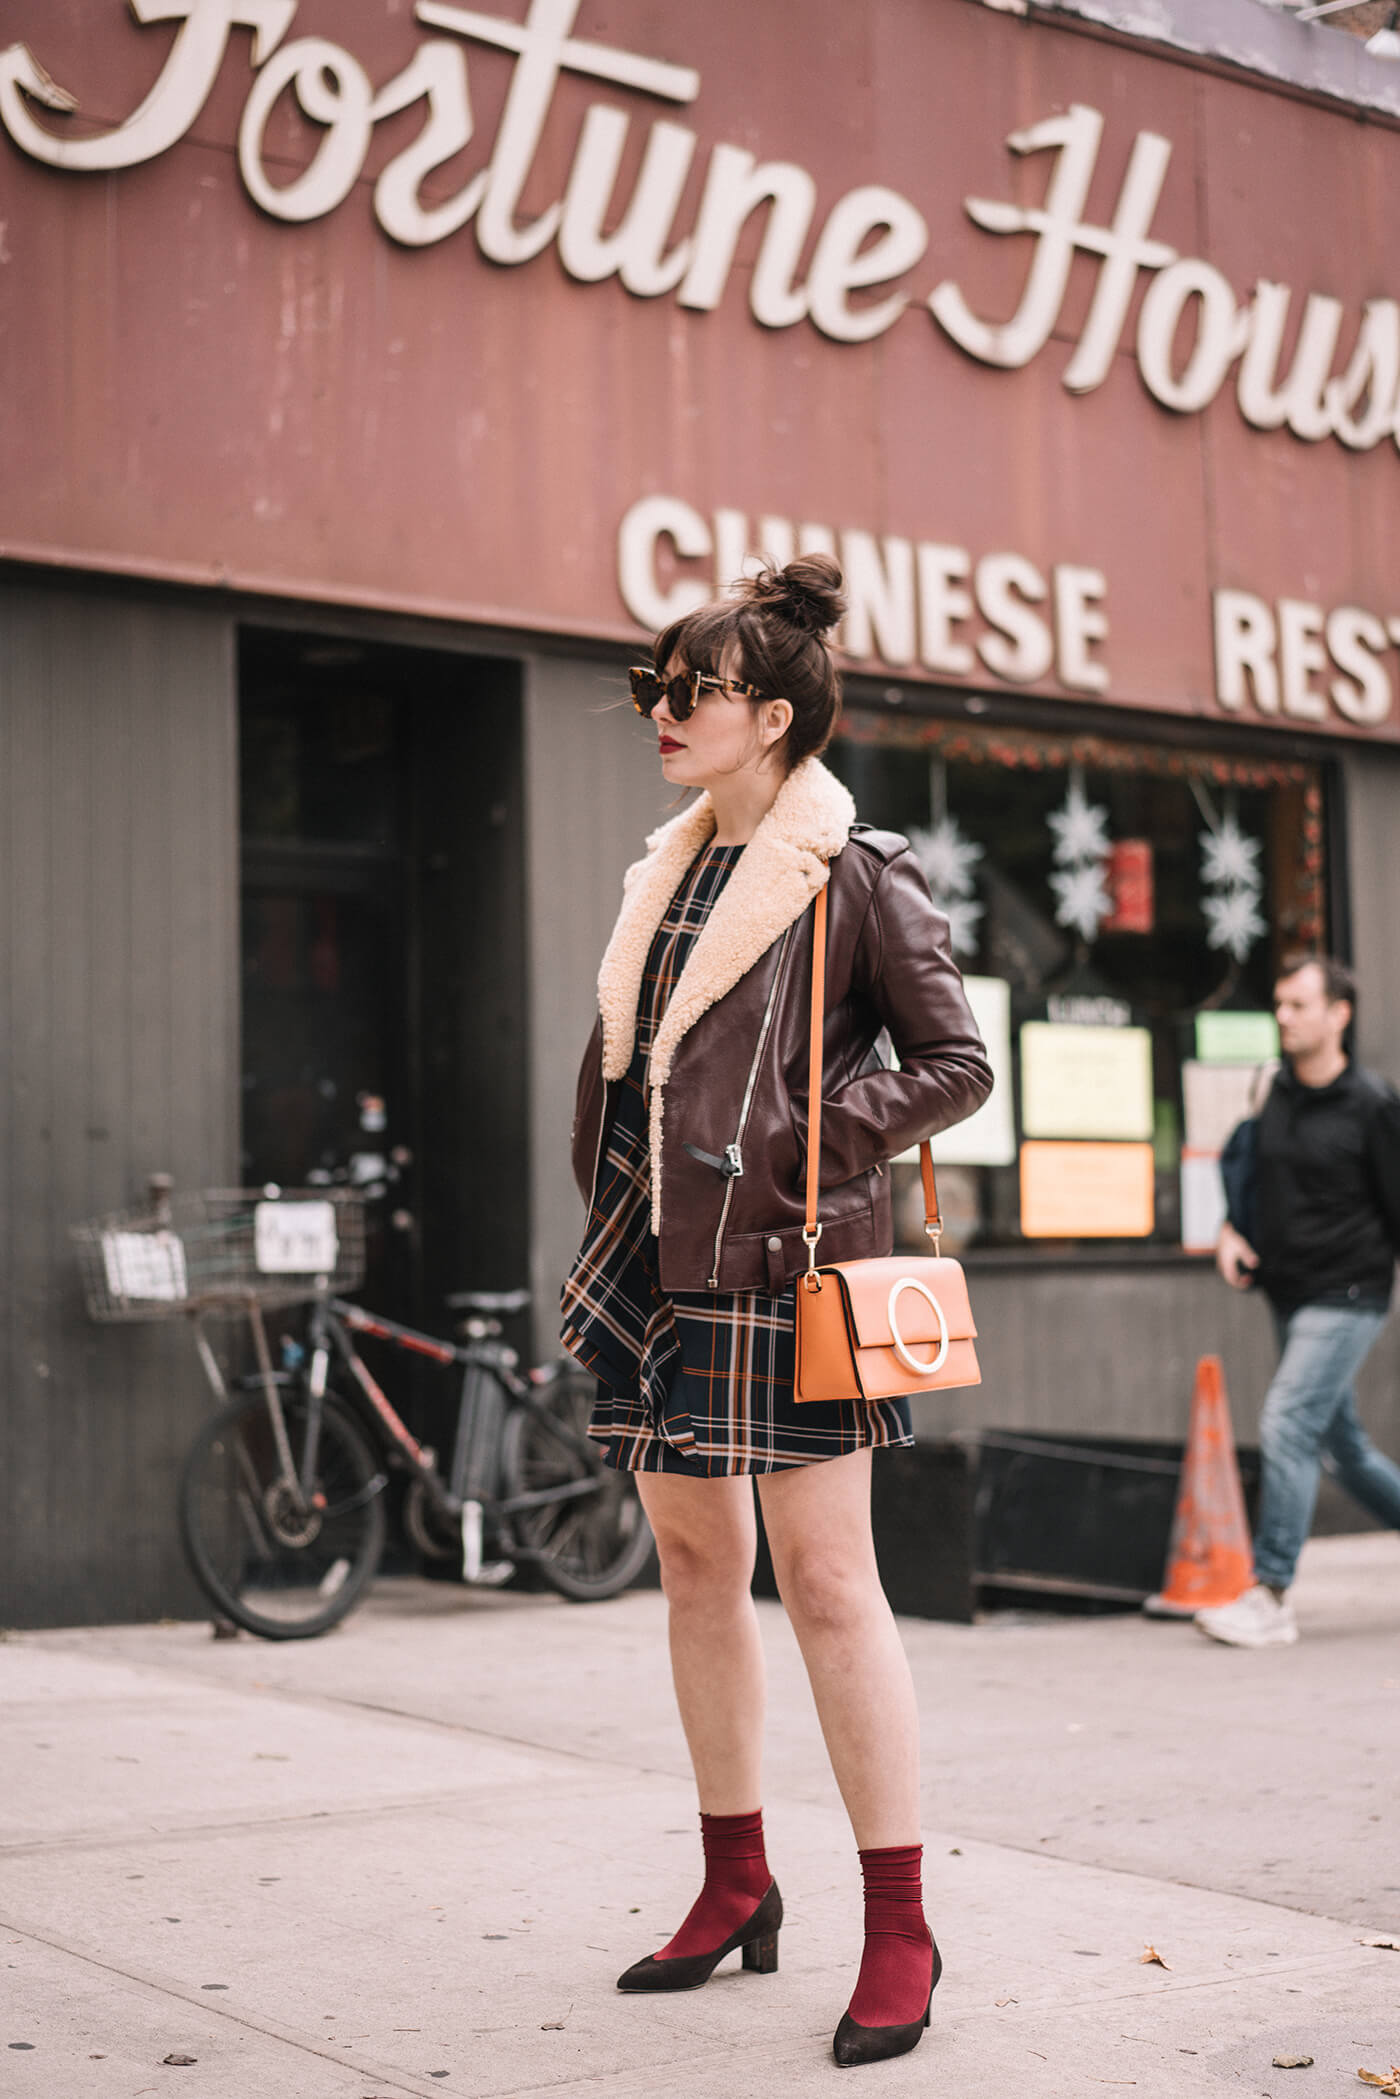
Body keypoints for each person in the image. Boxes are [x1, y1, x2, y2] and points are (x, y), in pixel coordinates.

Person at [560, 555, 992, 2067]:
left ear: (779, 711)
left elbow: (958, 1060)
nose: (664, 712)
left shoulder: (855, 868)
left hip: (790, 1264)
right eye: (653, 688)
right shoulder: (667, 871)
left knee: (825, 1581)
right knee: (690, 1560)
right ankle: (737, 1876)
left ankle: (900, 1920)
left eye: (694, 689)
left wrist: (821, 1134)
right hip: (656, 1253)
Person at [1199, 953, 1400, 1649]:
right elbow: (1247, 1176)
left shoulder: (1374, 1103)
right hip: (1288, 1291)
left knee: (1287, 1419)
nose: (1283, 1015)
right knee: (1342, 1445)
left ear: (1338, 1014)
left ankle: (1270, 1592)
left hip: (1349, 1293)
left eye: (1298, 1004)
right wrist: (1231, 1231)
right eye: (1279, 1004)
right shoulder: (1272, 1089)